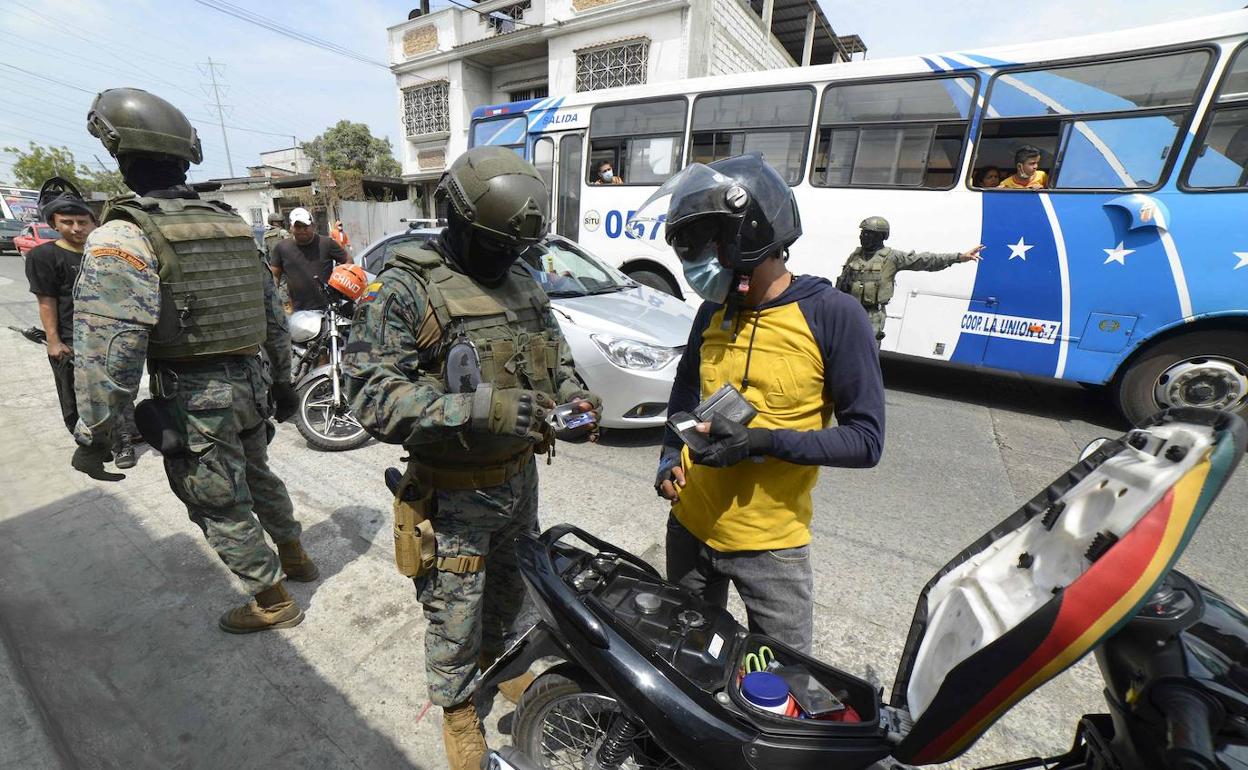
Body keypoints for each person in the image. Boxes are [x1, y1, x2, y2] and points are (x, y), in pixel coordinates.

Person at [343, 146, 600, 770]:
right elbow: (368, 394)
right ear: (455, 220)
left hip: (518, 481)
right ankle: (457, 709)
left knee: (513, 594)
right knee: (454, 609)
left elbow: (553, 356)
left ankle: (503, 666)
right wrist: (476, 411)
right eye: (492, 245)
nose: (504, 258)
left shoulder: (520, 279)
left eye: (513, 249)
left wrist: (573, 398)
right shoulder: (408, 288)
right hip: (454, 493)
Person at [72, 87, 318, 632]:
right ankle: (296, 556)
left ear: (121, 156)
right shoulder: (230, 223)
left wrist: (97, 435)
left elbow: (108, 355)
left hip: (194, 394)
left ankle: (273, 598)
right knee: (258, 474)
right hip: (252, 381)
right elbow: (274, 316)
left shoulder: (124, 234)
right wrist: (282, 383)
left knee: (216, 500)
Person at [651, 154, 885, 655]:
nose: (694, 265)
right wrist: (670, 457)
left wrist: (760, 441)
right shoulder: (712, 312)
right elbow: (684, 395)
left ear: (749, 235)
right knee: (687, 661)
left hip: (771, 548)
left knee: (779, 683)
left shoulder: (834, 316)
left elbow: (866, 441)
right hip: (689, 528)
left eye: (705, 245)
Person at [25, 178, 137, 469]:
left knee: (118, 392)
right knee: (78, 398)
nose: (76, 228)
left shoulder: (104, 253)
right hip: (73, 339)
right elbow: (46, 300)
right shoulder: (44, 256)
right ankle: (96, 444)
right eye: (67, 222)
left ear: (92, 222)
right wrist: (53, 340)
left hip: (112, 337)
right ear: (53, 223)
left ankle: (123, 441)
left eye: (82, 221)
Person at [836, 216, 983, 342]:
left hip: (872, 315)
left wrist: (959, 257)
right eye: (863, 233)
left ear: (881, 236)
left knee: (865, 353)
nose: (863, 237)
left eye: (869, 234)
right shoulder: (856, 255)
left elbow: (925, 260)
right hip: (849, 311)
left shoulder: (892, 257)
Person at [269, 207, 350, 311]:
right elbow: (274, 277)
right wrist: (273, 304)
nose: (302, 230)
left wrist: (340, 283)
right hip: (298, 312)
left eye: (305, 226)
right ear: (291, 228)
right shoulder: (282, 248)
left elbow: (348, 261)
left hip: (329, 310)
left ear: (313, 226)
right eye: (298, 227)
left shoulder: (327, 243)